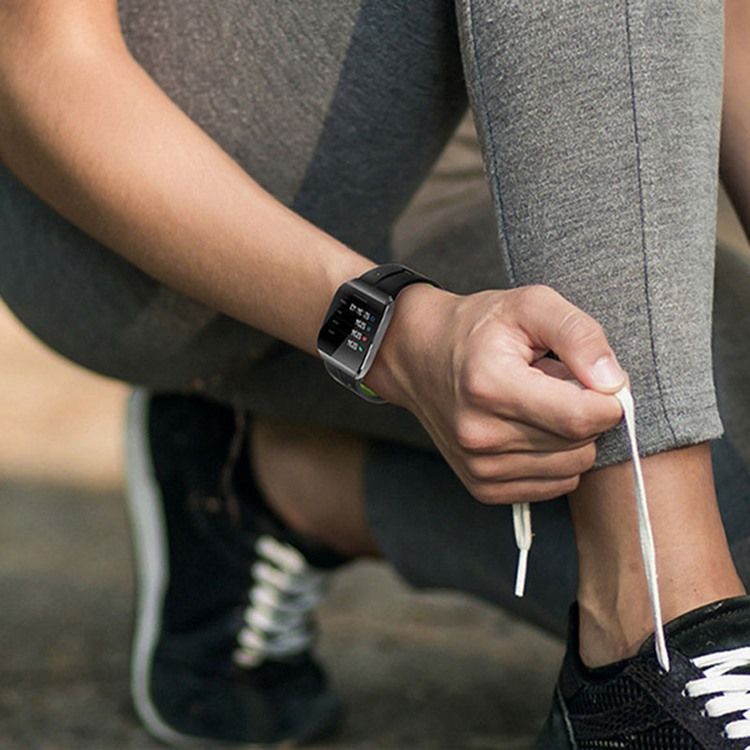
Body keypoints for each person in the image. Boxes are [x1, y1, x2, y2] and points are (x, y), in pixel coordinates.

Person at [1, 0, 749, 747]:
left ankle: (275, 479)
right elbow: (34, 59)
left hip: (482, 179)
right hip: (118, 195)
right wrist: (388, 334)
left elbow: (729, 23)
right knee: (708, 642)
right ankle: (655, 633)